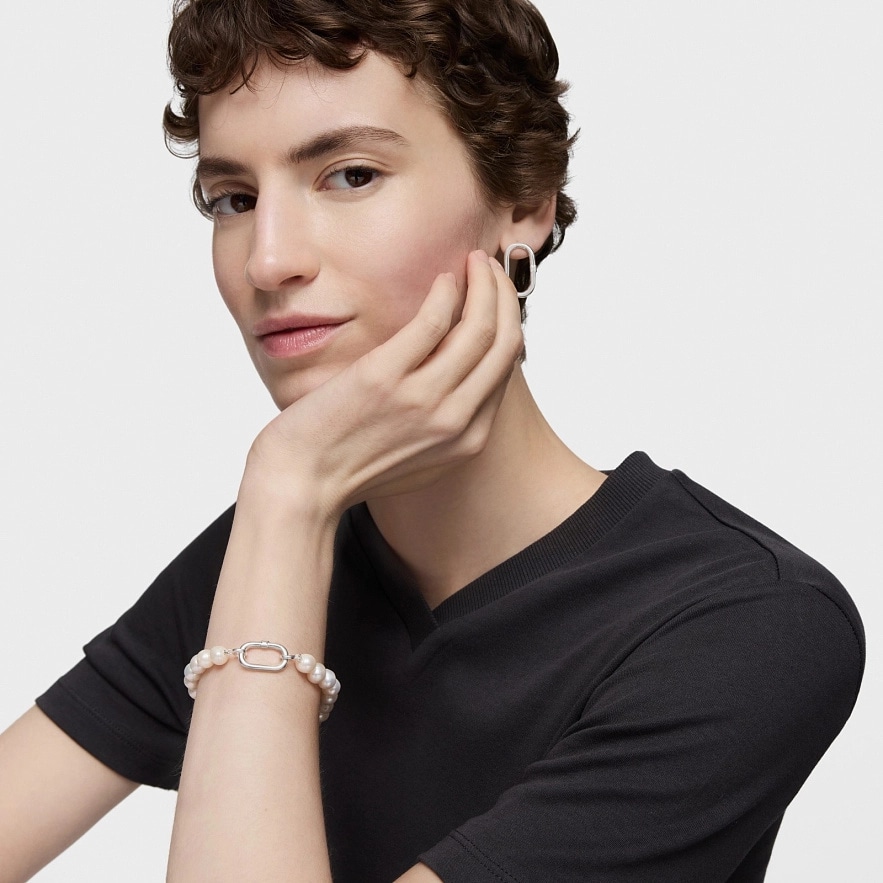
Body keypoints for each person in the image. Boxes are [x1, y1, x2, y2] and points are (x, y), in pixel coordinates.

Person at [0, 0, 864, 881]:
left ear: (521, 202)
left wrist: (289, 488)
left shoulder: (747, 622)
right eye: (234, 198)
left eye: (350, 175)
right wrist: (286, 511)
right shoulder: (270, 551)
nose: (267, 260)